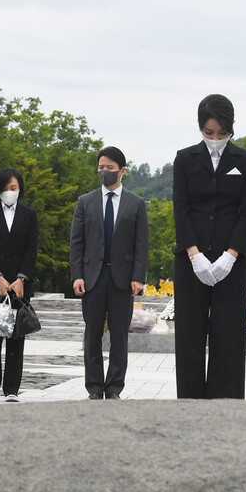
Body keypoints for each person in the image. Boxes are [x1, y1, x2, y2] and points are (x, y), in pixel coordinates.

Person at [172, 94, 246, 399]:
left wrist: (230, 255)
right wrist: (194, 255)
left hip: (230, 262)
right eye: (209, 133)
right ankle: (190, 402)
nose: (215, 139)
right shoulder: (185, 159)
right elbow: (180, 208)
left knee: (228, 335)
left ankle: (226, 401)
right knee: (190, 335)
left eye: (222, 133)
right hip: (191, 260)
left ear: (231, 128)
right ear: (200, 128)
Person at [71, 146, 149, 400]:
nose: (104, 172)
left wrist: (138, 277)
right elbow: (77, 242)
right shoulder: (85, 202)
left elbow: (141, 243)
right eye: (101, 168)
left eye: (110, 168)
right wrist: (77, 275)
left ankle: (114, 387)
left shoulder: (136, 204)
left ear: (122, 171)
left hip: (122, 280)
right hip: (92, 278)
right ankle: (94, 387)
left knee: (119, 336)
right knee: (91, 334)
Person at [0, 168, 38, 403]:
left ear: (20, 189)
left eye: (14, 188)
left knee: (16, 338)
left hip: (20, 285)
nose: (10, 192)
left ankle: (12, 389)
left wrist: (22, 278)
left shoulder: (29, 215)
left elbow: (32, 249)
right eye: (5, 189)